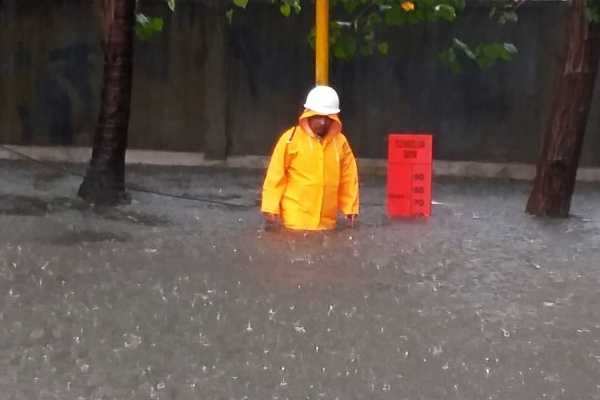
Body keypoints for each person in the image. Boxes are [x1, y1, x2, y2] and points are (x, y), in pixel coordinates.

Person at [260, 85, 359, 230]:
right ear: (308, 115)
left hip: (327, 221)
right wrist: (270, 206)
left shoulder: (340, 142)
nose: (322, 122)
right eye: (318, 117)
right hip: (295, 218)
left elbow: (348, 177)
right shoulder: (290, 139)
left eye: (327, 117)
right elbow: (276, 174)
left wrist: (350, 207)